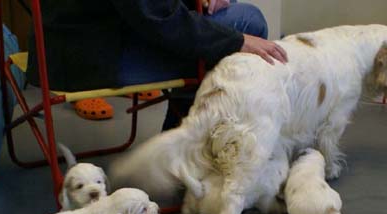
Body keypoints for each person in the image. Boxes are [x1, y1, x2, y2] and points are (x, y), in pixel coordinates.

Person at [27, 0, 287, 127]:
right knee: (246, 23)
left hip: (79, 39)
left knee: (229, 22)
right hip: (86, 58)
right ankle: (186, 152)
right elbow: (161, 19)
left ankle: (181, 142)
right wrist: (236, 41)